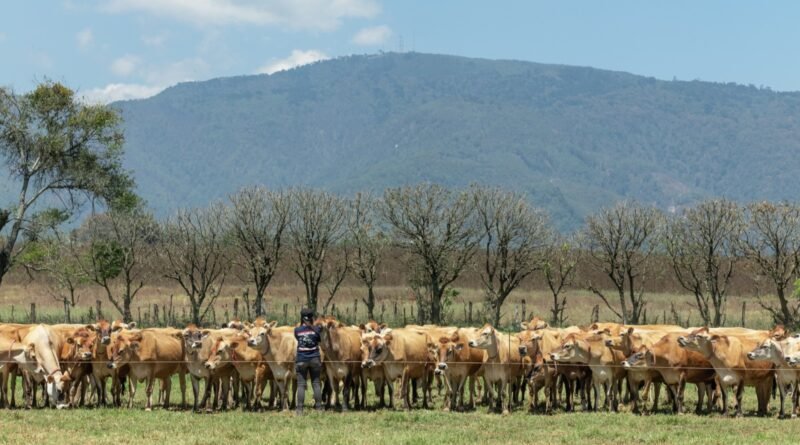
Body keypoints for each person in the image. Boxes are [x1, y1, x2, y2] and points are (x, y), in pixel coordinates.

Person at [294, 307, 323, 415]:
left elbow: (298, 339)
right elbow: (319, 341)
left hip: (301, 359)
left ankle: (300, 410)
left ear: (301, 318)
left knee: (301, 384)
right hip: (315, 359)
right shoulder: (317, 330)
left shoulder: (297, 330)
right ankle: (319, 408)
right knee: (316, 383)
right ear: (312, 318)